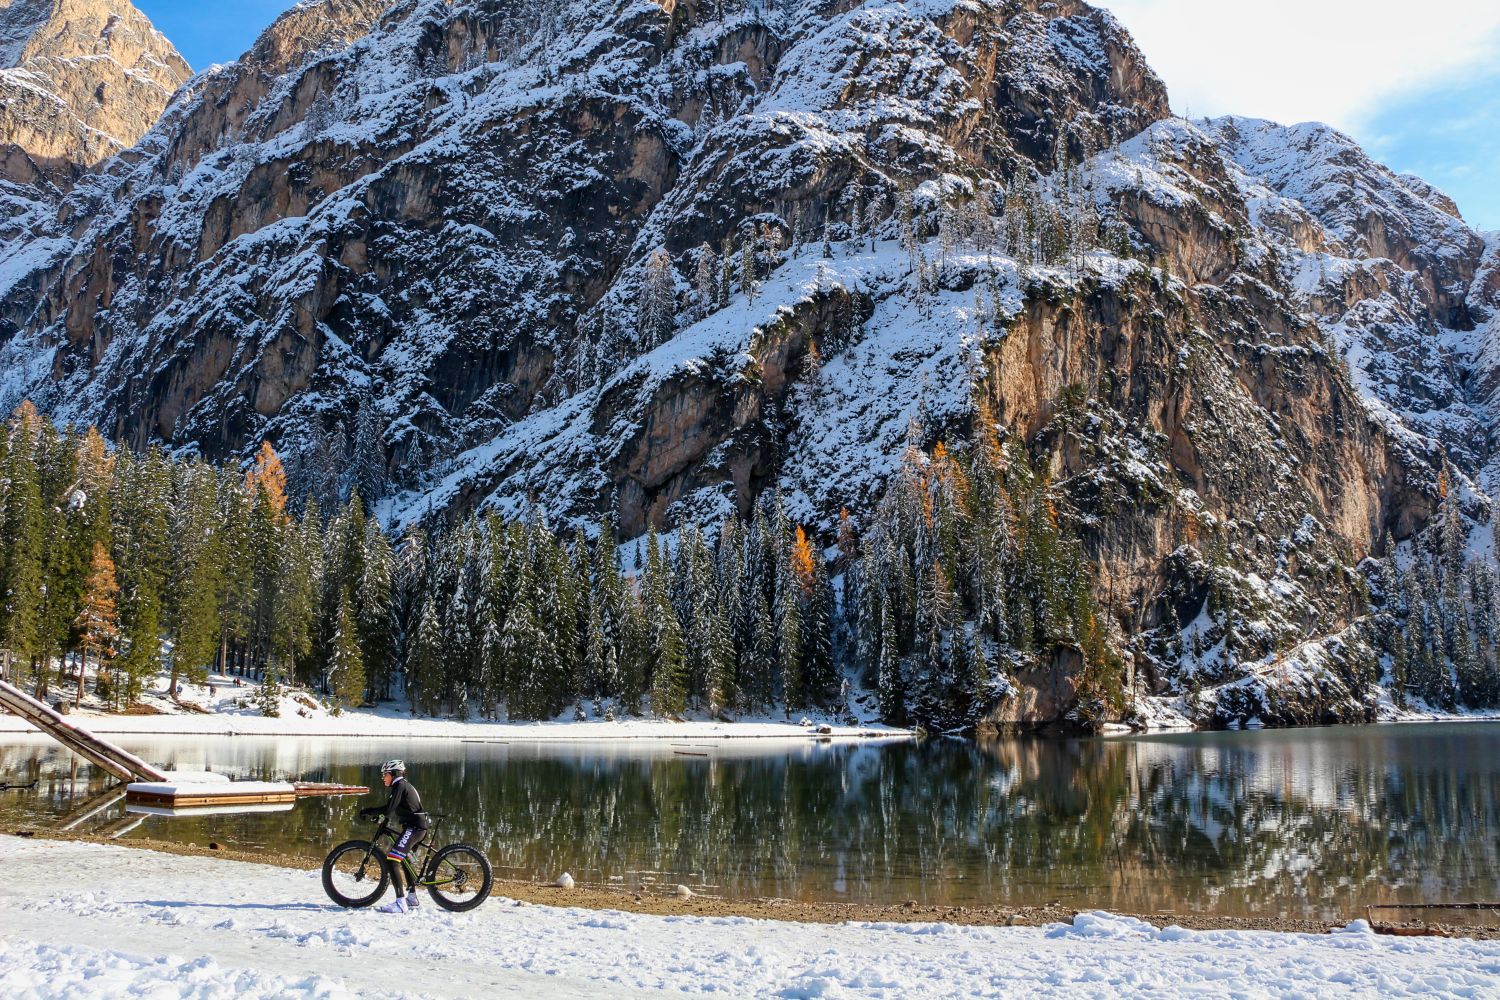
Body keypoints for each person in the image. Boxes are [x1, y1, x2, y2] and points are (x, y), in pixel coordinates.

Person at [358, 759, 430, 914]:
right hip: (416, 827)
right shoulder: (402, 785)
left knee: (392, 859)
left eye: (385, 774)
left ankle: (400, 903)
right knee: (402, 858)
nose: (383, 777)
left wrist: (368, 811)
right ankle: (412, 897)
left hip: (415, 828)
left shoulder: (400, 785)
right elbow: (392, 809)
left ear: (393, 774)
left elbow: (389, 809)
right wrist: (381, 816)